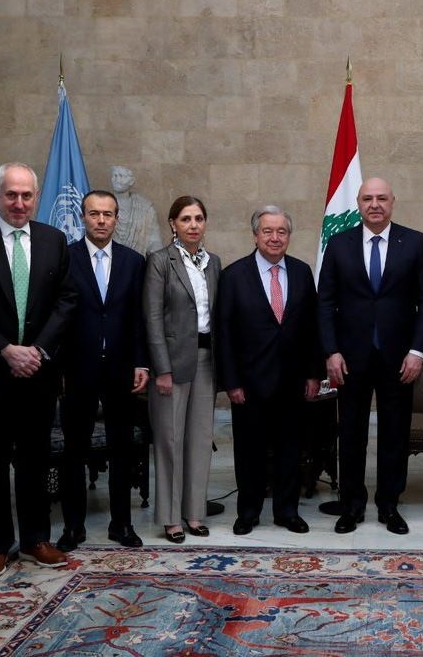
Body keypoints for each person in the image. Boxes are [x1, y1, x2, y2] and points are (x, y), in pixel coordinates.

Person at [0, 163, 77, 578]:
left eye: (27, 195)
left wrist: (38, 350)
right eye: (11, 194)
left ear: (37, 197)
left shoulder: (54, 239)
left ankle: (35, 539)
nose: (19, 203)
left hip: (38, 374)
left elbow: (67, 300)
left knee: (35, 460)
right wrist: (6, 349)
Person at [317, 177, 423, 535]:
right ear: (358, 203)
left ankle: (389, 505)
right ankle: (352, 505)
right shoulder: (339, 244)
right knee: (351, 433)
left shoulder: (414, 242)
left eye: (381, 198)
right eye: (368, 198)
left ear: (392, 201)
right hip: (350, 358)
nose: (375, 204)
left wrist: (417, 351)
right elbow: (325, 302)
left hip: (399, 358)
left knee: (395, 433)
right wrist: (331, 351)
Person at [216, 205, 321, 535]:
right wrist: (231, 381)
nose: (275, 238)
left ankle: (287, 511)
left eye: (282, 232)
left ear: (289, 236)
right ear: (255, 236)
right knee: (250, 451)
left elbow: (312, 327)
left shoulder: (302, 272)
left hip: (293, 380)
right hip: (249, 383)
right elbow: (224, 333)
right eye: (268, 231)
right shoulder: (233, 276)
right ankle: (248, 512)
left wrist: (314, 373)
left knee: (291, 449)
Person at [56, 191, 149, 552]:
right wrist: (58, 367)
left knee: (121, 448)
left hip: (121, 369)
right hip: (77, 369)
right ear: (83, 217)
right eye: (94, 214)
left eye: (108, 214)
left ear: (116, 219)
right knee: (74, 451)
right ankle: (73, 527)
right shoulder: (65, 258)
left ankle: (121, 524)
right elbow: (58, 315)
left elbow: (139, 318)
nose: (101, 220)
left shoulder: (133, 261)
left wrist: (141, 362)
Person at [144, 195, 220, 541]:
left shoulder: (213, 262)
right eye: (186, 219)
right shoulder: (160, 261)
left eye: (199, 218)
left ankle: (194, 513)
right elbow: (152, 318)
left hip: (207, 361)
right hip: (171, 365)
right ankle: (171, 518)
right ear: (173, 224)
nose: (193, 225)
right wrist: (161, 368)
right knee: (170, 440)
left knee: (200, 440)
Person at [111, 165, 163, 256]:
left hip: (137, 260)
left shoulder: (146, 208)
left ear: (131, 181)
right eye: (114, 176)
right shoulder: (102, 205)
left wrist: (157, 256)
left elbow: (155, 240)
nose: (117, 179)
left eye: (121, 176)